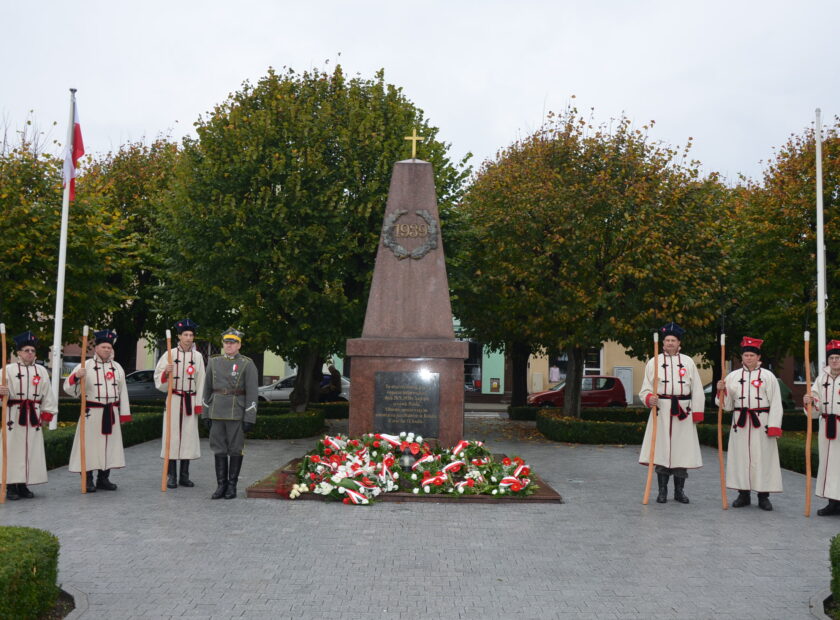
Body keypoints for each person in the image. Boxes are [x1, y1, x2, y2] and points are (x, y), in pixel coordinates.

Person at [638, 322, 705, 504]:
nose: (669, 343)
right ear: (663, 343)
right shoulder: (654, 362)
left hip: (683, 412)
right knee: (661, 451)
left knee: (681, 453)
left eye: (673, 340)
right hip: (661, 411)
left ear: (679, 343)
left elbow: (698, 389)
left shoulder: (688, 362)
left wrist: (698, 413)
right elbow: (644, 389)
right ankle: (662, 491)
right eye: (667, 340)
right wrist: (649, 398)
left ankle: (679, 491)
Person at [716, 336, 783, 510]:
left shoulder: (768, 376)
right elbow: (727, 406)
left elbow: (776, 402)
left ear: (758, 357)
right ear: (742, 357)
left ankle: (763, 496)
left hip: (762, 423)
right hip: (740, 423)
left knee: (763, 459)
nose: (749, 358)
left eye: (752, 355)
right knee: (741, 458)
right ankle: (743, 494)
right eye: (746, 355)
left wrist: (774, 425)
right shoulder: (732, 376)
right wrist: (721, 392)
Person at [63, 329, 132, 492]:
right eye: (103, 347)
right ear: (96, 348)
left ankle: (103, 478)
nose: (106, 350)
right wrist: (76, 377)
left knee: (107, 447)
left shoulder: (117, 368)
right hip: (91, 414)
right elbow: (69, 388)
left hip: (111, 413)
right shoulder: (85, 366)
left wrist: (124, 414)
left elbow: (123, 392)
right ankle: (87, 480)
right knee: (89, 447)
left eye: (109, 347)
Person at [201, 328, 258, 499]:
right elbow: (207, 389)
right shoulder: (213, 362)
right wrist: (205, 413)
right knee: (218, 449)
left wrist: (250, 416)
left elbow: (252, 392)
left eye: (233, 343)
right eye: (226, 342)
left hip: (236, 411)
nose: (229, 345)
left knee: (235, 449)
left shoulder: (247, 364)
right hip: (216, 410)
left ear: (239, 345)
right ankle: (221, 486)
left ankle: (232, 486)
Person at [0, 332, 58, 500]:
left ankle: (23, 484)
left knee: (30, 450)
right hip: (13, 415)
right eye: (26, 350)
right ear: (18, 352)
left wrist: (47, 414)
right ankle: (10, 485)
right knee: (12, 449)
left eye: (32, 350)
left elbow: (48, 394)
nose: (30, 353)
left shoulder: (41, 371)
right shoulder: (7, 371)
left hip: (33, 416)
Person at [154, 318, 205, 488]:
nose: (189, 338)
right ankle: (172, 476)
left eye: (191, 335)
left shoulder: (197, 357)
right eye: (186, 335)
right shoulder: (170, 354)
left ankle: (184, 475)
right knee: (172, 438)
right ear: (179, 336)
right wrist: (165, 374)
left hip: (190, 400)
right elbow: (158, 379)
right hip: (174, 400)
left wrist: (199, 404)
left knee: (188, 439)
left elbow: (201, 381)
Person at [803, 340, 840, 516]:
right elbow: (815, 402)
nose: (834, 361)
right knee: (828, 464)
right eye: (832, 358)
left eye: (837, 357)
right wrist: (810, 402)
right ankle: (832, 501)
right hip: (826, 426)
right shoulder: (821, 378)